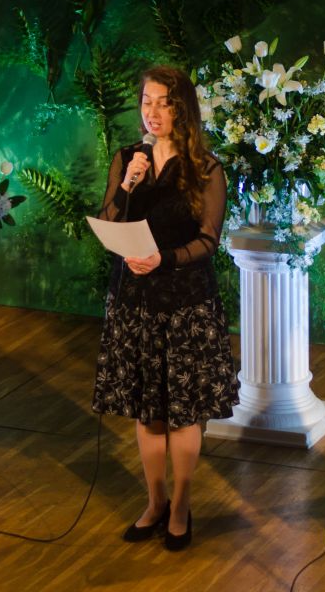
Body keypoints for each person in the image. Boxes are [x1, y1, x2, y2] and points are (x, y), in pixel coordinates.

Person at [92, 65, 239, 551]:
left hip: (185, 305)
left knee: (183, 413)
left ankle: (180, 505)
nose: (153, 112)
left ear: (183, 109)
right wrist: (128, 186)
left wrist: (164, 259)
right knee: (148, 411)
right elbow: (110, 219)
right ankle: (154, 502)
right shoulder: (127, 160)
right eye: (147, 102)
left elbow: (208, 240)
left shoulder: (206, 169)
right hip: (135, 303)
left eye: (164, 103)